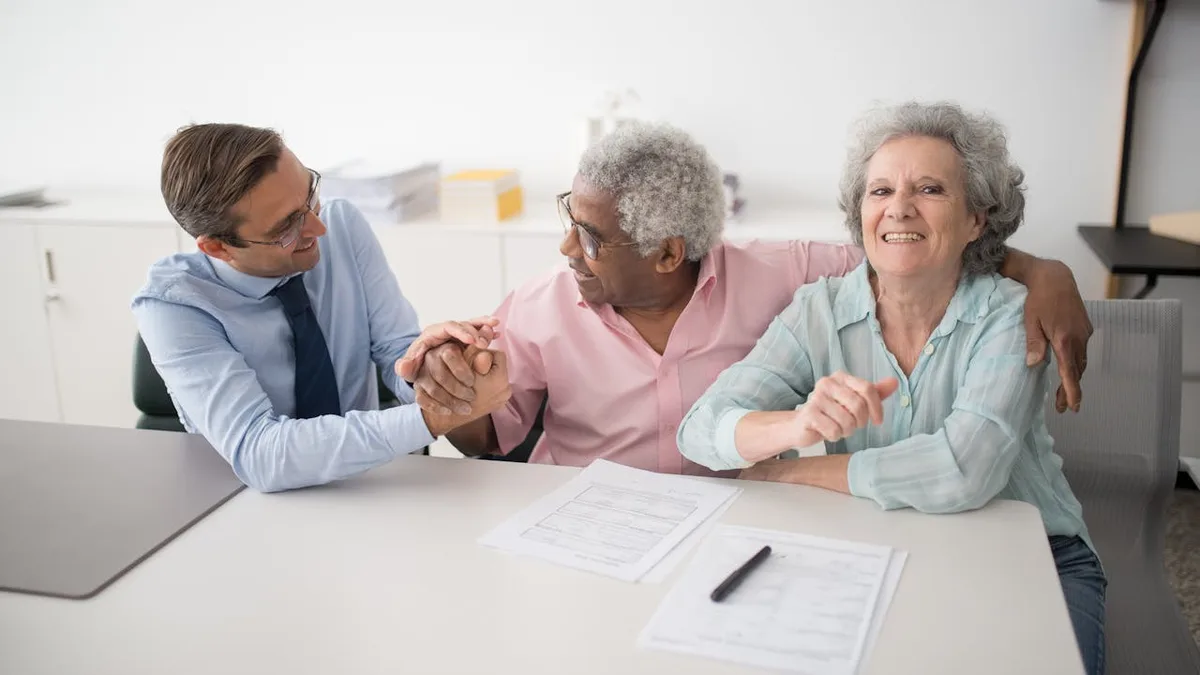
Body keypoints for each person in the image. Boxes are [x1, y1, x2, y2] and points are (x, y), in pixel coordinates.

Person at [399, 120, 1094, 477]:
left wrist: (1039, 268)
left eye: (589, 237)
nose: (565, 250)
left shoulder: (779, 273)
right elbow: (493, 439)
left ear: (669, 252)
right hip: (586, 521)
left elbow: (908, 245)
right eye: (568, 222)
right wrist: (459, 400)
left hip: (735, 525)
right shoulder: (541, 302)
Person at [675, 102, 1105, 674]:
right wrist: (793, 426)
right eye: (879, 191)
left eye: (929, 189)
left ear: (977, 219)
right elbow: (699, 430)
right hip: (871, 545)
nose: (898, 207)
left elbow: (963, 470)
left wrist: (792, 470)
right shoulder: (818, 311)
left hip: (1034, 556)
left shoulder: (1009, 314)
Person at [132, 123, 510, 493]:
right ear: (218, 247)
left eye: (310, 194)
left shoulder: (342, 224)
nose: (318, 228)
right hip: (247, 506)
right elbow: (259, 451)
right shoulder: (173, 306)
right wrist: (430, 418)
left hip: (368, 485)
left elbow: (397, 353)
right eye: (287, 226)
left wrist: (438, 366)